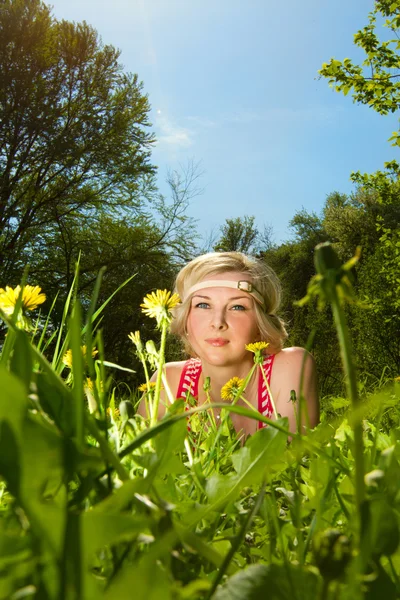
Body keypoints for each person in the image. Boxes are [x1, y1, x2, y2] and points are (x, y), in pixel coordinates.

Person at [140, 251, 319, 436]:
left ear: (259, 324)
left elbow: (292, 460)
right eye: (203, 305)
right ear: (185, 318)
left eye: (237, 307)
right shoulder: (168, 382)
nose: (218, 322)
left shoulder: (291, 366)